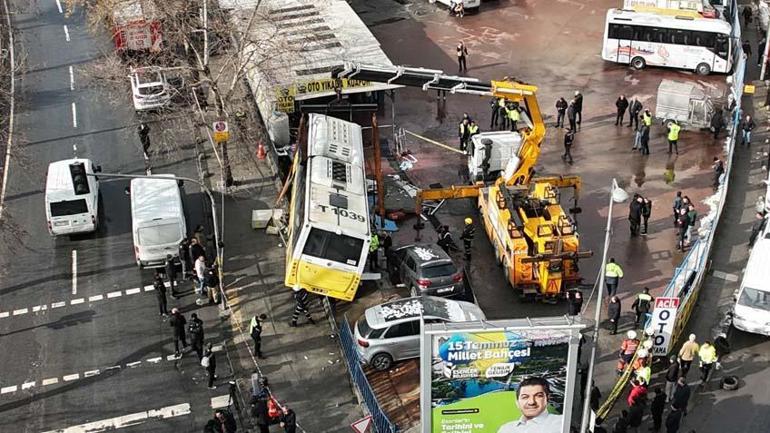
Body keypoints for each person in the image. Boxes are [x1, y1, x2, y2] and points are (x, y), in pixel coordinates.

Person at [496, 376, 563, 433]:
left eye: (538, 396)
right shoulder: (505, 429)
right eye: (525, 397)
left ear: (547, 399)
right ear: (517, 402)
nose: (531, 402)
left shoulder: (562, 422)